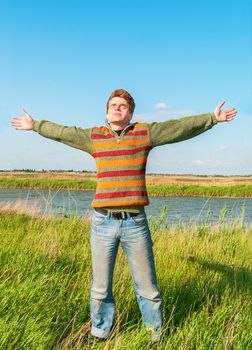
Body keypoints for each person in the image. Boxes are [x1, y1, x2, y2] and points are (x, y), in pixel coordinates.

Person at [11, 89, 237, 342]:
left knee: (147, 287)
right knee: (100, 287)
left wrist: (211, 119)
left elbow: (178, 128)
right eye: (113, 105)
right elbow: (64, 132)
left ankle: (155, 335)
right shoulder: (94, 137)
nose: (117, 108)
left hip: (135, 223)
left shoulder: (143, 133)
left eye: (123, 106)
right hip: (102, 222)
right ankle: (99, 332)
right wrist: (35, 125)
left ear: (130, 113)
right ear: (106, 111)